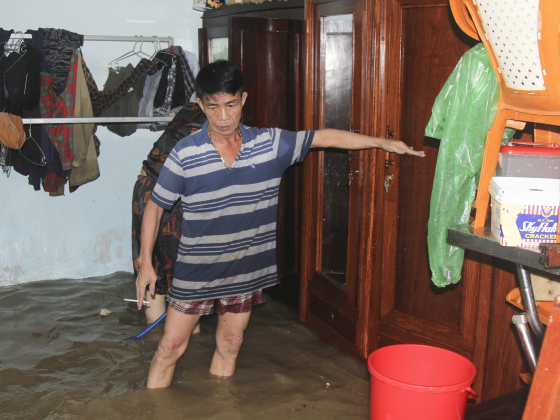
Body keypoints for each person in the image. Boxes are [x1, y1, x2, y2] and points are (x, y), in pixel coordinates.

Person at [135, 60, 425, 389]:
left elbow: (322, 137)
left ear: (243, 99)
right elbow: (156, 206)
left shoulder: (270, 145)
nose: (224, 116)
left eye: (231, 105)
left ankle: (219, 406)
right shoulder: (185, 153)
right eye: (213, 107)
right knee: (170, 347)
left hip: (245, 268)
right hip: (197, 268)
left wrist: (382, 143)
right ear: (200, 105)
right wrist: (146, 263)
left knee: (230, 345)